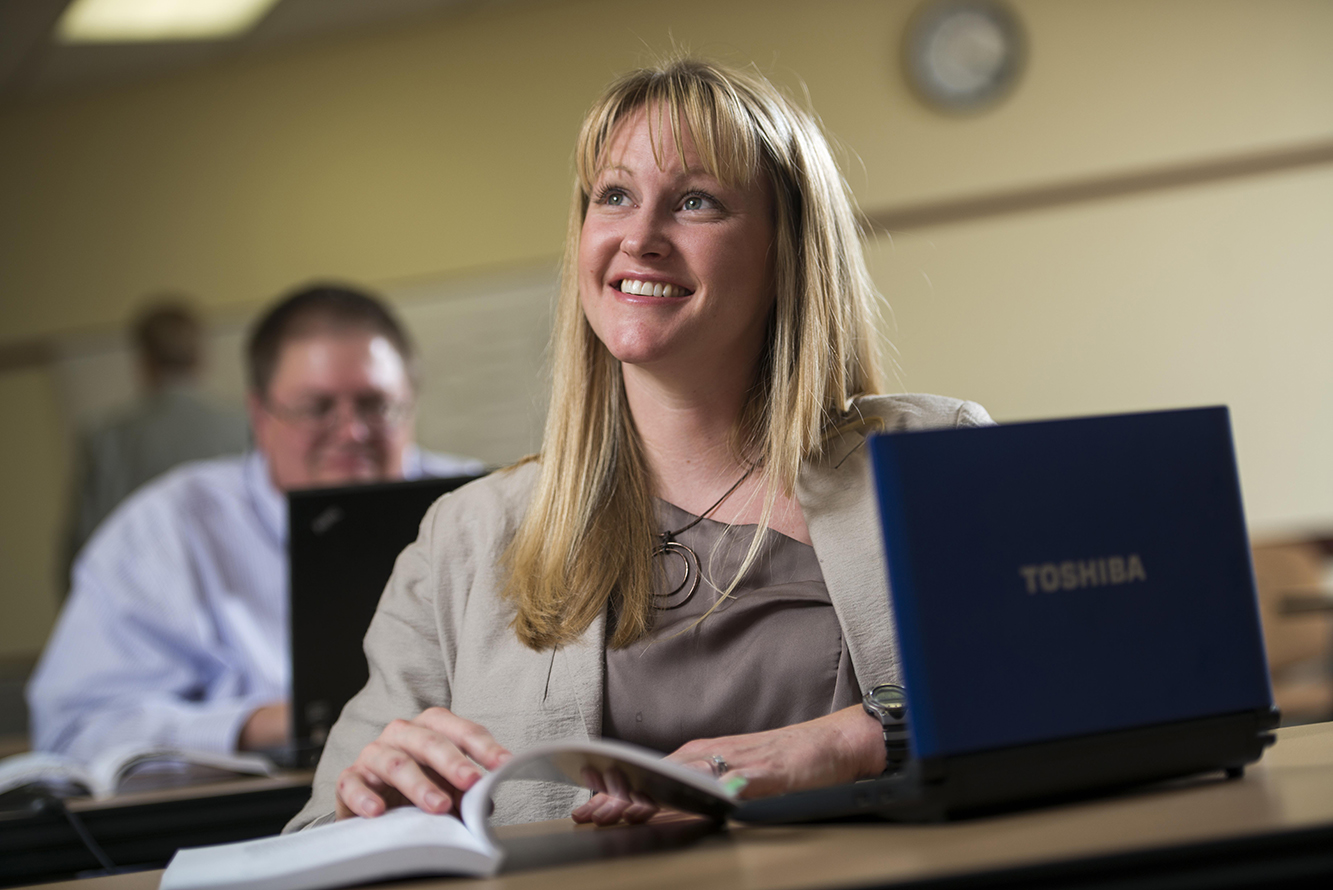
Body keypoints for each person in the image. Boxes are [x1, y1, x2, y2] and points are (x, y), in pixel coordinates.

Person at [288, 58, 991, 831]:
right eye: (613, 196)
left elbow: (1087, 690)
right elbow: (315, 834)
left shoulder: (936, 455)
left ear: (788, 249)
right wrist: (378, 807)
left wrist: (859, 737)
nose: (639, 238)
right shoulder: (463, 537)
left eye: (695, 202)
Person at [28, 284, 485, 763]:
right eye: (316, 408)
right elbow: (74, 727)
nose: (351, 432)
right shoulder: (167, 526)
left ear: (411, 402)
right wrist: (266, 723)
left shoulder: (477, 504)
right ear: (260, 415)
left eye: (376, 405)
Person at [64, 298, 249, 587]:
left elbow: (85, 548)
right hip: (236, 597)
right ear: (200, 355)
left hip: (144, 607)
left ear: (144, 360)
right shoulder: (244, 427)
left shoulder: (108, 440)